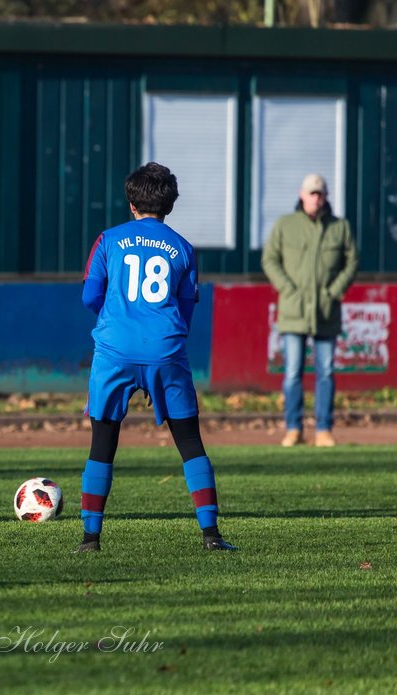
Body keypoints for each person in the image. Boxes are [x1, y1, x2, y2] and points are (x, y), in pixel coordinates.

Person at [76, 162, 236, 553]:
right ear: (170, 204)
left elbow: (89, 296)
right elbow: (186, 311)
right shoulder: (183, 248)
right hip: (166, 348)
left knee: (103, 441)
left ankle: (90, 540)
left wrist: (120, 323)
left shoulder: (109, 240)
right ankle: (211, 536)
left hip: (114, 349)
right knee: (189, 440)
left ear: (131, 202)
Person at [261, 173, 358, 448]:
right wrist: (287, 288)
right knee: (292, 372)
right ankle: (293, 428)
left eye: (320, 193)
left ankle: (324, 429)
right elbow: (270, 260)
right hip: (293, 311)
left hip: (326, 311)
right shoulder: (285, 225)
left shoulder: (340, 227)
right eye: (312, 193)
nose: (316, 198)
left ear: (326, 196)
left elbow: (352, 262)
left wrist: (334, 291)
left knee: (325, 371)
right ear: (301, 194)